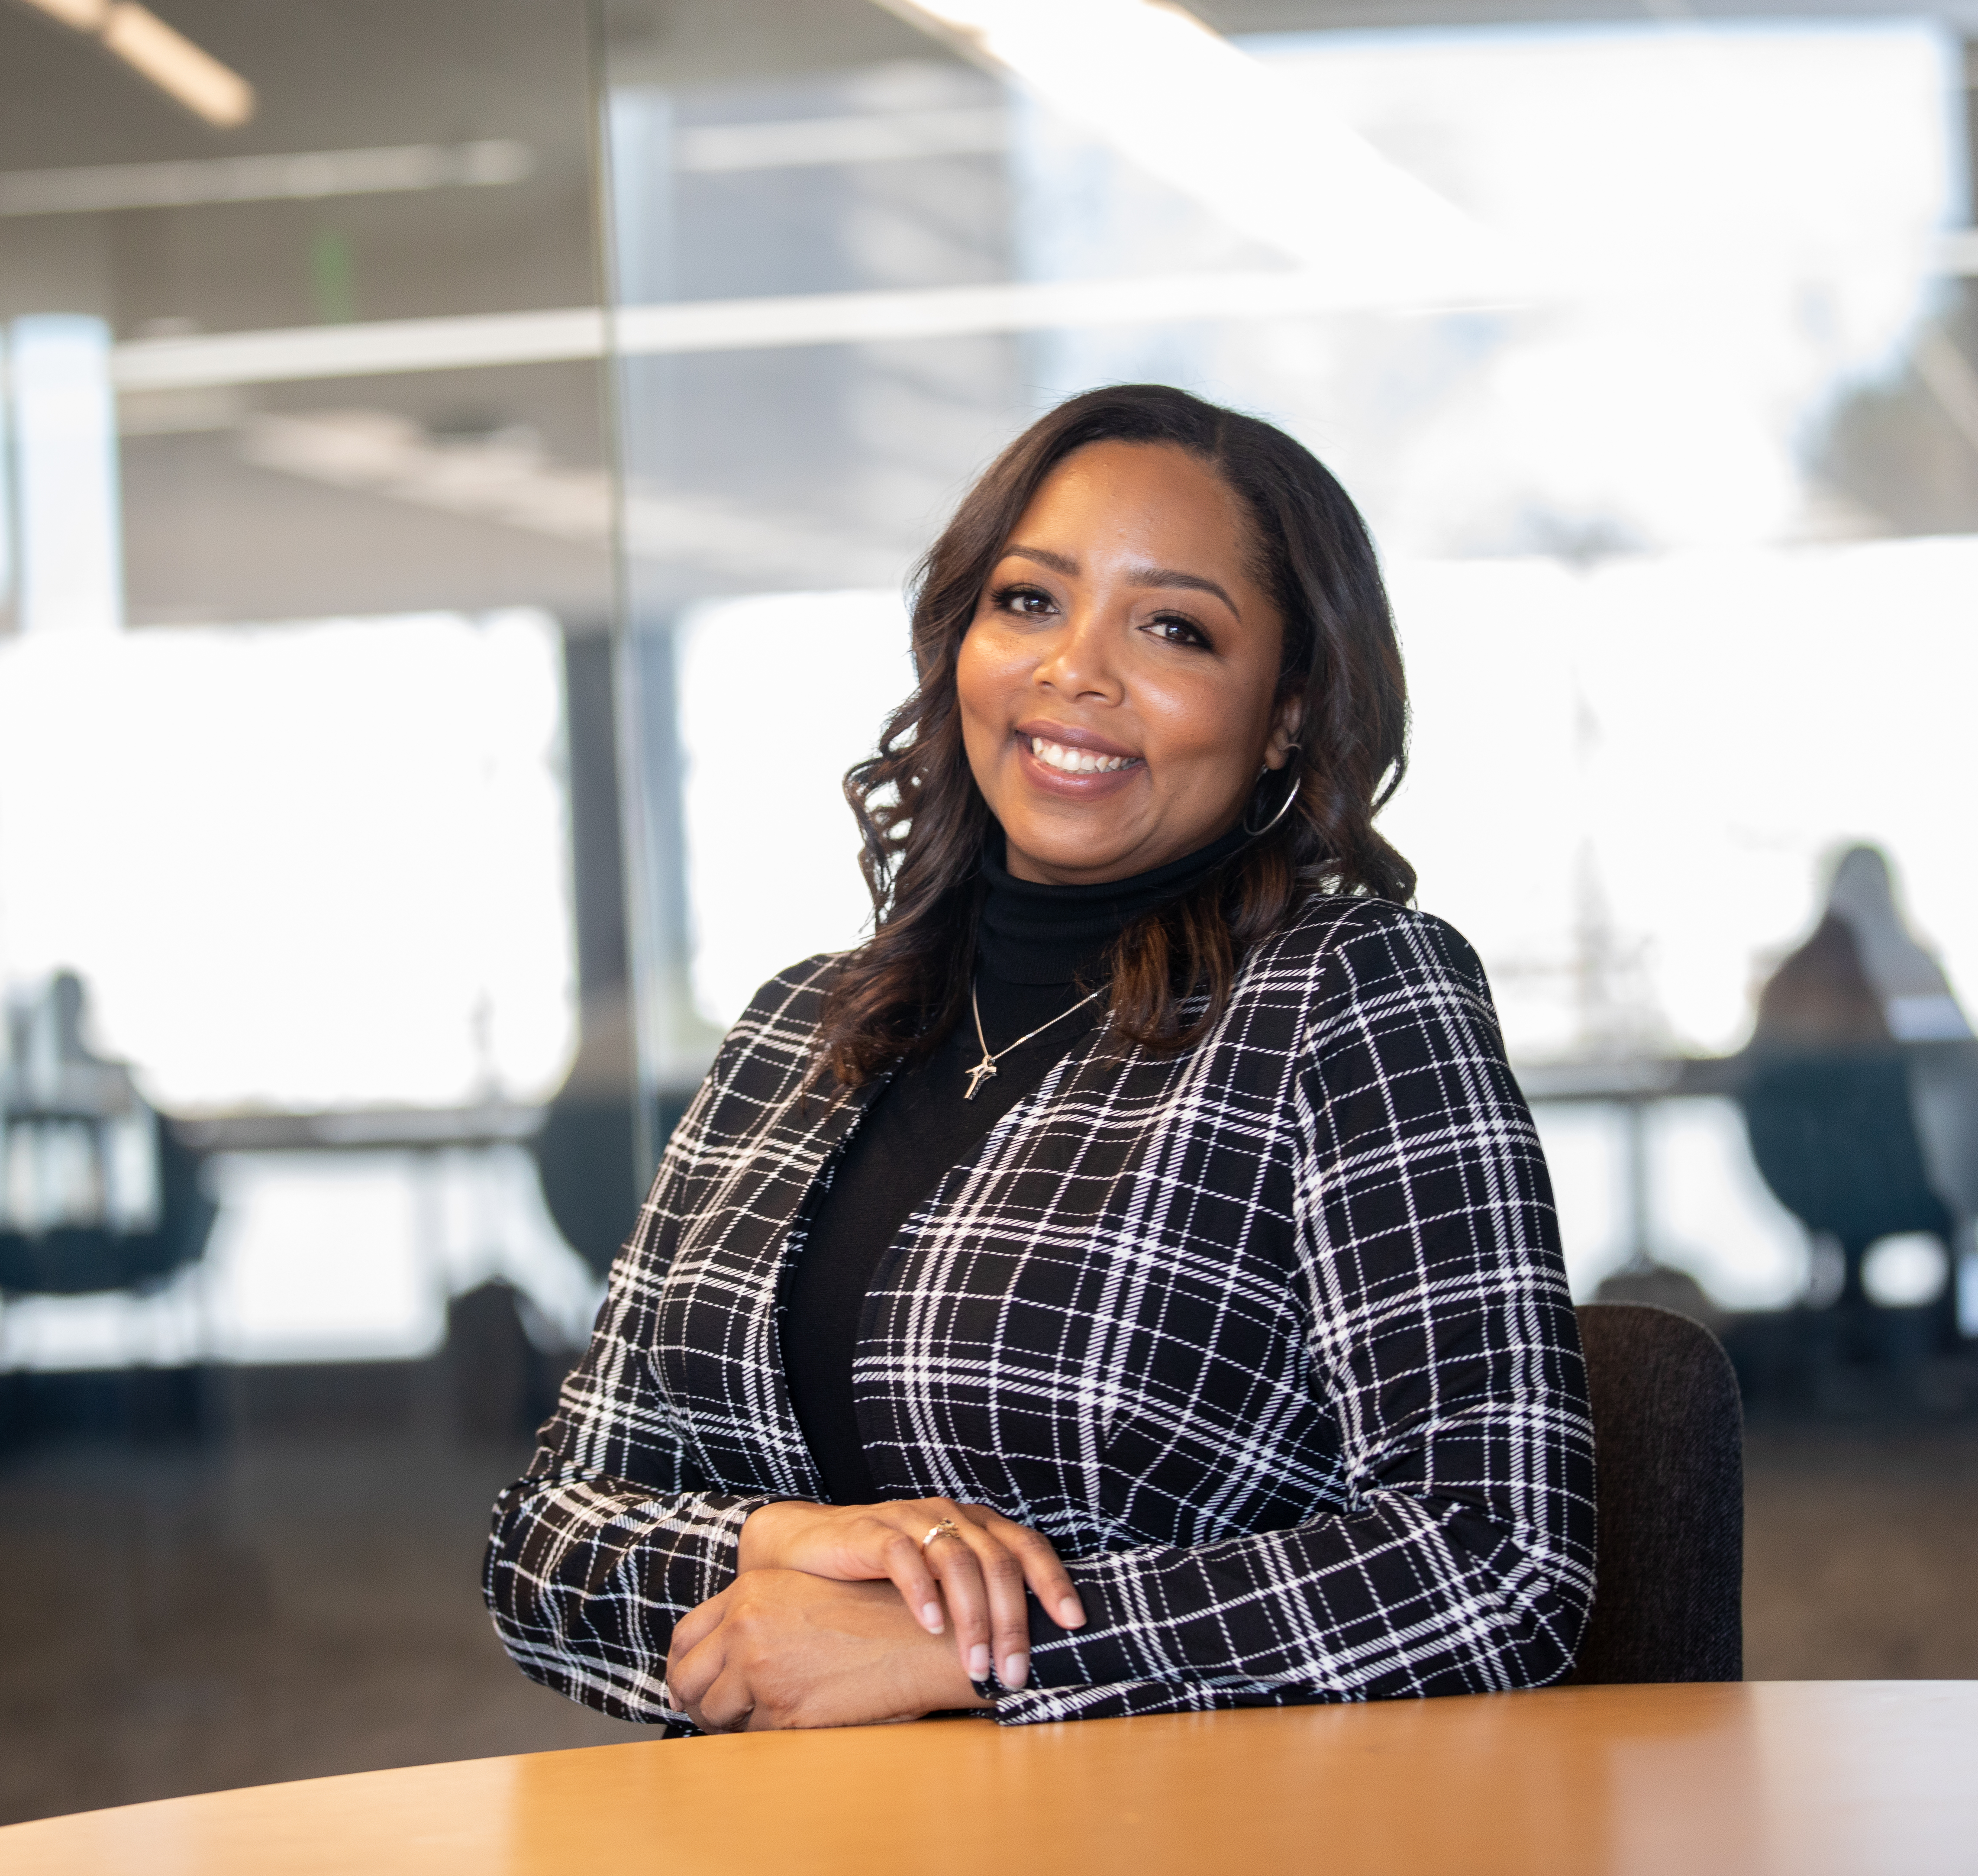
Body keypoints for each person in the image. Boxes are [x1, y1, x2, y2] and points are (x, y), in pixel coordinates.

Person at [484, 385, 1592, 1731]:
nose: (1078, 670)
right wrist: (766, 1552)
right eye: (1031, 602)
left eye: (1174, 627)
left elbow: (1497, 1559)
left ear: (1286, 715)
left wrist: (963, 1653)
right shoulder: (794, 1030)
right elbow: (541, 1538)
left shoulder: (1346, 995)